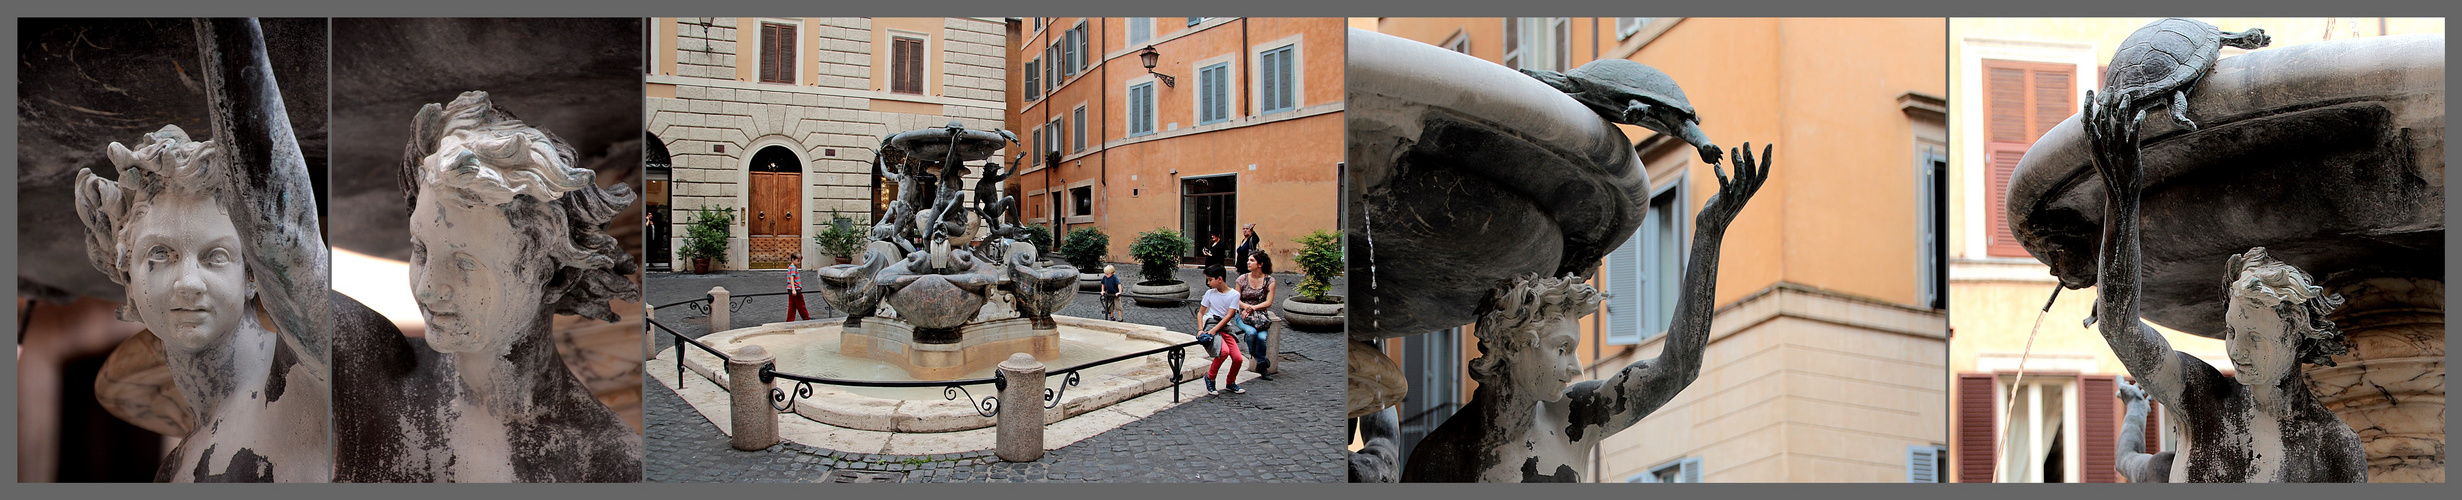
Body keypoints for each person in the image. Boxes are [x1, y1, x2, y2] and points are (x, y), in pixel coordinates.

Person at [1402, 143, 1770, 482]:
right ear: (1513, 346)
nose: (1576, 368)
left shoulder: (1575, 416)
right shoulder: (1440, 459)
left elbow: (1679, 368)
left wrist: (1709, 233)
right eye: (1562, 349)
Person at [334, 91, 642, 482]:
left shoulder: (603, 466)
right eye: (421, 250)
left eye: (464, 263)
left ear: (555, 276)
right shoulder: (368, 367)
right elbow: (281, 242)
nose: (428, 289)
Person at [2079, 92, 2364, 482]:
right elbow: (2119, 328)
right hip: (2159, 473)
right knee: (2131, 462)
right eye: (2231, 332)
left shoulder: (2332, 448)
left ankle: (2136, 403)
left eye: (2254, 337)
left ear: (2295, 338)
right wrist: (2123, 197)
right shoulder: (2201, 398)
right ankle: (2136, 406)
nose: (2236, 351)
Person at [75, 125, 332, 482]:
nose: (189, 284)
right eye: (161, 254)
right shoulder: (175, 471)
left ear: (251, 274)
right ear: (127, 277)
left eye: (216, 257)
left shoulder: (315, 382)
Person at [1195, 266, 1247, 395]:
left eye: (1210, 280)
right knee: (1223, 352)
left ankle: (1230, 382)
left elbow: (1229, 315)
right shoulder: (1209, 293)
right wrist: (1201, 329)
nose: (1208, 283)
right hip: (1211, 324)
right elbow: (1200, 313)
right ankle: (1210, 378)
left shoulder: (1234, 294)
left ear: (1220, 279)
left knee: (1238, 358)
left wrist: (1214, 330)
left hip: (1224, 327)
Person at [1234, 252, 1278, 379]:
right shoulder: (1241, 279)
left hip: (1260, 316)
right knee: (1251, 333)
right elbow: (1236, 299)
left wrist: (1253, 307)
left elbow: (1268, 302)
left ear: (1260, 264)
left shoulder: (1270, 281)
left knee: (1262, 337)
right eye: (1248, 260)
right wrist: (1245, 307)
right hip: (1243, 314)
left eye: (1252, 260)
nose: (1248, 262)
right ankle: (1262, 363)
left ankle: (1259, 362)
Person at [785, 253, 812, 321]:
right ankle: (806, 318)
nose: (799, 262)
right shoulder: (793, 268)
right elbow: (792, 278)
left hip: (790, 289)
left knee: (792, 305)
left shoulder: (790, 267)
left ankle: (790, 319)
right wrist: (794, 289)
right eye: (798, 261)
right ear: (793, 259)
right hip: (796, 289)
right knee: (801, 304)